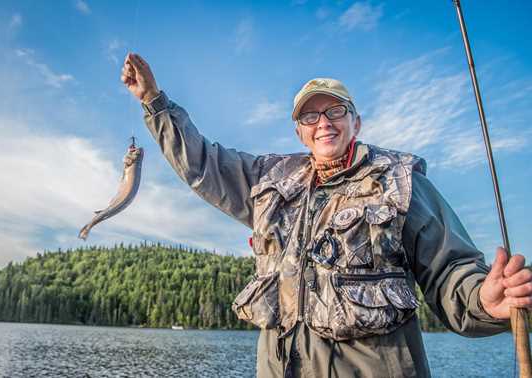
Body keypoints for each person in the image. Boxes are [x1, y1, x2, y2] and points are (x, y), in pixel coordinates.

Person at [121, 52, 532, 377]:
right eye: (310, 116)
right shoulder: (268, 182)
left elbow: (449, 270)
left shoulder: (400, 182)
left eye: (336, 111)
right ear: (299, 130)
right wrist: (154, 103)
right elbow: (203, 163)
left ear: (356, 121)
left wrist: (484, 299)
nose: (324, 123)